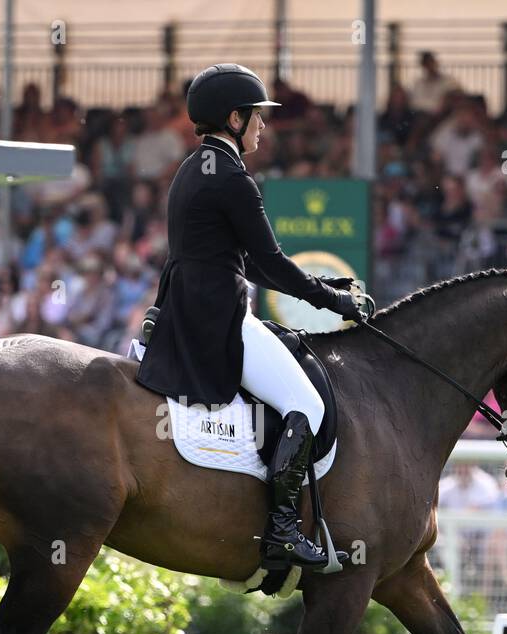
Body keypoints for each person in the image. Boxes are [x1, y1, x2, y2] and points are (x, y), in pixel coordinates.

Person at [134, 63, 362, 572]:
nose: (263, 126)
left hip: (185, 311)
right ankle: (282, 530)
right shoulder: (233, 178)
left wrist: (328, 289)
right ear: (234, 119)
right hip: (219, 319)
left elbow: (252, 263)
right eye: (257, 117)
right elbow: (274, 264)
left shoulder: (193, 168)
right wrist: (337, 304)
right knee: (305, 403)